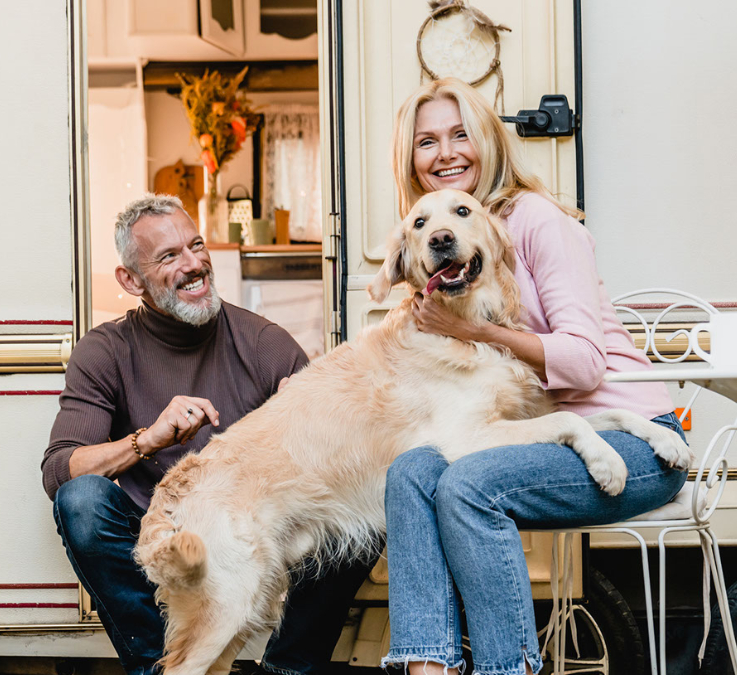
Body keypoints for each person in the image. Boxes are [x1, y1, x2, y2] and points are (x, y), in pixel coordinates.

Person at [380, 78, 687, 675]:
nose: (445, 153)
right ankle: (428, 667)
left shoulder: (537, 221)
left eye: (460, 134)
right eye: (427, 142)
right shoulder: (441, 239)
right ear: (410, 160)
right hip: (551, 435)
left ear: (489, 140)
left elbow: (583, 363)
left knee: (468, 485)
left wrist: (479, 333)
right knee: (411, 471)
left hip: (636, 438)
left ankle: (506, 668)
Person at [42, 194, 372, 675]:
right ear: (131, 280)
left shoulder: (263, 342)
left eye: (196, 245)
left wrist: (309, 417)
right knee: (81, 500)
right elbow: (58, 471)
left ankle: (287, 667)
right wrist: (149, 439)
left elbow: (336, 452)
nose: (195, 264)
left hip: (253, 535)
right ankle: (163, 667)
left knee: (369, 502)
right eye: (170, 256)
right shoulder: (105, 351)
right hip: (159, 542)